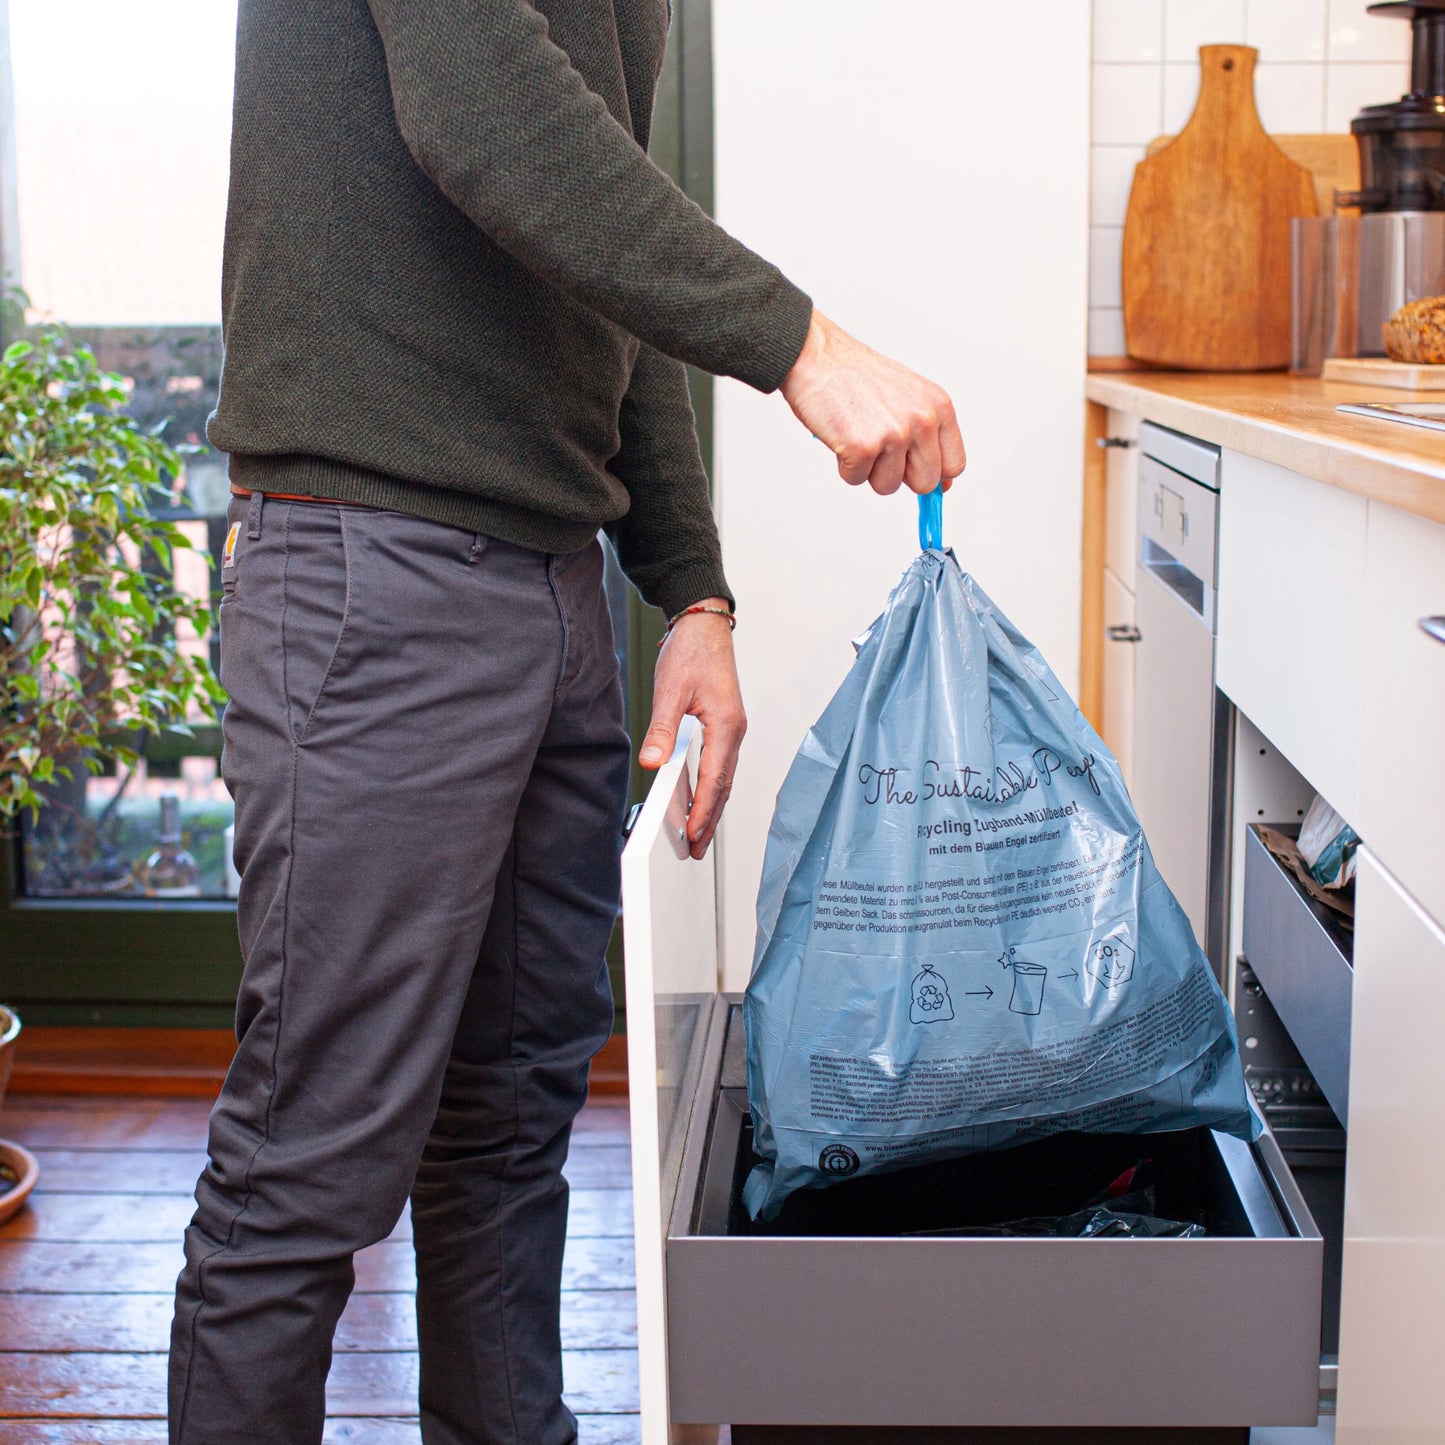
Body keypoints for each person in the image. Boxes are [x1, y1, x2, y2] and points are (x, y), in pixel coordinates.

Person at [167, 2, 966, 1442]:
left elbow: (584, 238)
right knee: (312, 1163)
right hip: (373, 563)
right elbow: (485, 116)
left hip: (552, 582)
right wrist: (800, 342)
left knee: (508, 1133)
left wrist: (693, 595)